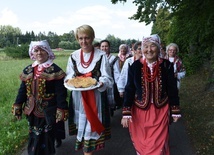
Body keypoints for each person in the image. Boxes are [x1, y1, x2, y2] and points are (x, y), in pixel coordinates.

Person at [121, 34, 181, 155]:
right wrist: (126, 112)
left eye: (152, 46)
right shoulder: (135, 66)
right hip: (140, 112)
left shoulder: (167, 65)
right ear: (142, 49)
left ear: (158, 48)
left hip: (160, 111)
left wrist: (175, 109)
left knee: (158, 144)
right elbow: (130, 89)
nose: (149, 50)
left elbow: (172, 89)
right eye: (146, 46)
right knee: (142, 144)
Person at [12, 40, 68, 155]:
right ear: (33, 53)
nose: (39, 53)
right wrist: (18, 105)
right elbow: (22, 90)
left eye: (42, 50)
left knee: (47, 135)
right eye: (36, 50)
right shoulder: (28, 69)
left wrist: (61, 109)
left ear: (47, 51)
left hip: (48, 111)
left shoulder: (55, 70)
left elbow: (61, 93)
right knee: (34, 133)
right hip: (31, 110)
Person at [64, 24, 113, 155]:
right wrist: (69, 80)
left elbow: (107, 77)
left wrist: (101, 83)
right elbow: (69, 75)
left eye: (87, 38)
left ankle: (88, 151)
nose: (83, 41)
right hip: (78, 99)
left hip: (95, 98)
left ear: (92, 38)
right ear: (77, 39)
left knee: (90, 130)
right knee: (83, 126)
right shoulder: (73, 56)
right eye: (80, 38)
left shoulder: (101, 56)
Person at [100, 39, 121, 116]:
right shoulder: (98, 58)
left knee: (108, 101)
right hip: (100, 83)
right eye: (102, 46)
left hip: (110, 83)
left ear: (109, 47)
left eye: (106, 46)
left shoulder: (113, 59)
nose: (104, 48)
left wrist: (119, 87)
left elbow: (117, 73)